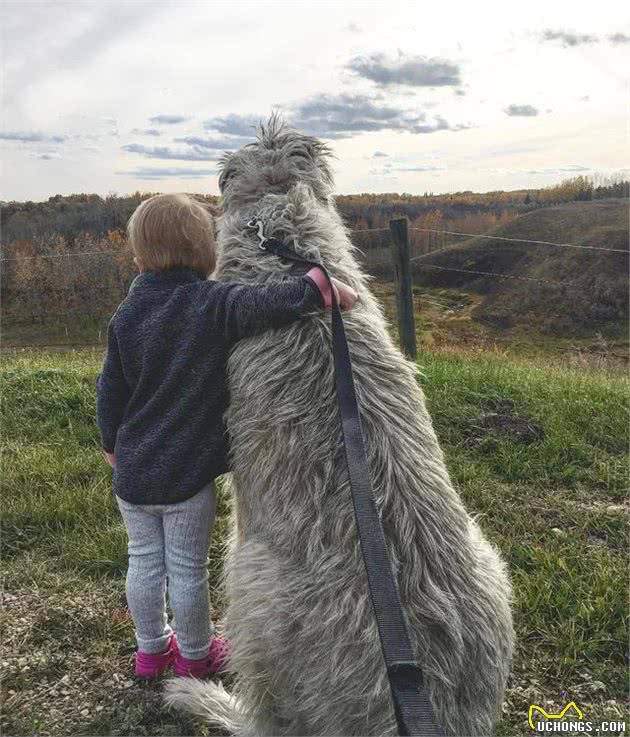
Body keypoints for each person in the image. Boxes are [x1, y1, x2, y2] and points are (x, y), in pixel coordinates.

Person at [96, 193, 357, 679]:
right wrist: (319, 286)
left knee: (144, 564)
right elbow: (264, 302)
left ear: (138, 257)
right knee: (188, 570)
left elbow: (110, 389)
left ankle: (150, 653)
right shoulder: (210, 303)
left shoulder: (126, 316)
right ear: (208, 255)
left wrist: (111, 443)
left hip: (132, 476)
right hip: (186, 480)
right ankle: (195, 656)